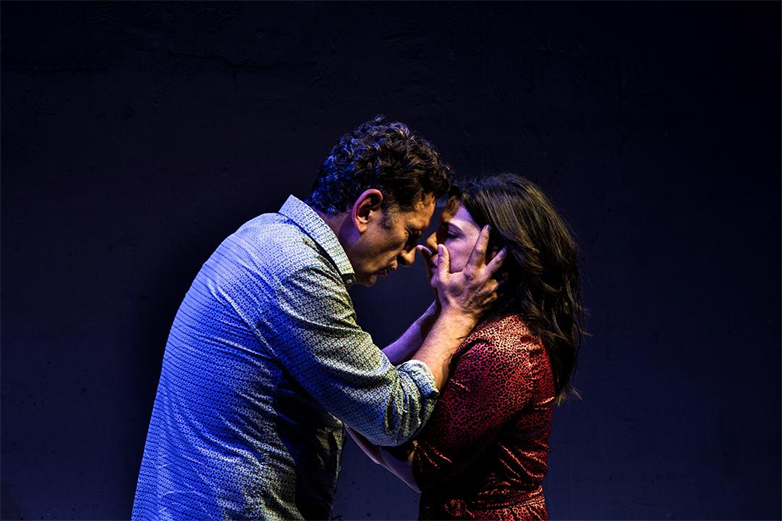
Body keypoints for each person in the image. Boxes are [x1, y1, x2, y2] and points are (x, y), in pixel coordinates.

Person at [131, 116, 506, 521]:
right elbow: (390, 415)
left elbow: (349, 375)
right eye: (410, 234)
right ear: (367, 209)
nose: (411, 255)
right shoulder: (299, 273)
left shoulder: (265, 234)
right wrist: (457, 317)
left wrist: (437, 317)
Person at [349, 173, 586, 520]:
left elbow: (422, 470)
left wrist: (351, 404)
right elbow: (368, 380)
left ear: (499, 255)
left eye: (451, 234)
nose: (431, 243)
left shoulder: (501, 349)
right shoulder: (482, 330)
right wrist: (443, 311)